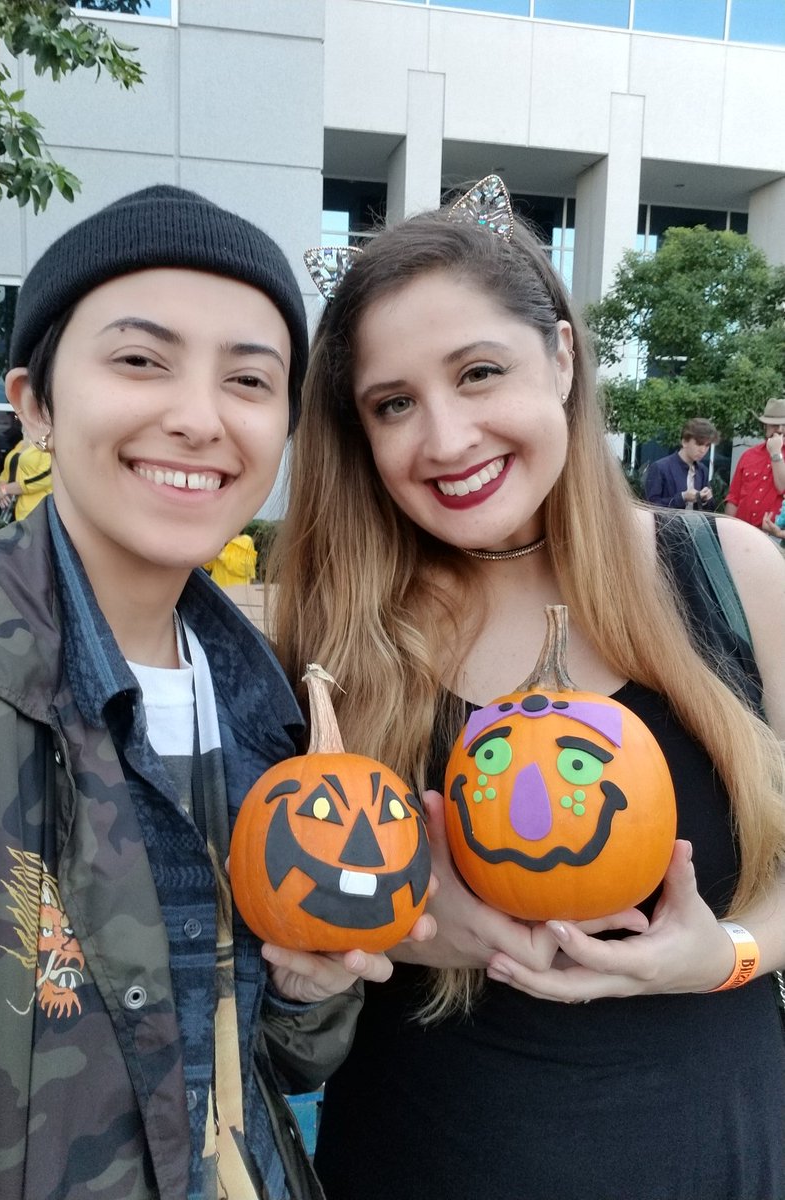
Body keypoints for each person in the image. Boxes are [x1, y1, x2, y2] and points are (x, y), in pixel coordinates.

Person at [0, 186, 428, 1199]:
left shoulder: (274, 708)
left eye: (250, 380)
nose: (197, 418)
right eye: (140, 361)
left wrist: (311, 991)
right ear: (36, 401)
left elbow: (272, 1061)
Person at [270, 177, 785, 1200]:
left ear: (560, 358)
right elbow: (289, 941)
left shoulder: (736, 575)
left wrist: (719, 953)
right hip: (418, 1158)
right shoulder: (338, 639)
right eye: (394, 404)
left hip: (714, 1151)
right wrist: (398, 917)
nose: (447, 439)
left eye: (478, 373)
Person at [724, 397, 785, 527]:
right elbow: (733, 498)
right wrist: (727, 528)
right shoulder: (749, 455)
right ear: (765, 426)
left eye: (784, 425)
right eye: (774, 424)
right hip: (742, 530)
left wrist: (776, 454)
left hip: (774, 534)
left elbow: (782, 487)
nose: (779, 429)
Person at [643, 416, 718, 509]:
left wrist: (706, 499)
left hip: (694, 523)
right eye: (699, 444)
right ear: (685, 442)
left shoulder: (702, 470)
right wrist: (683, 497)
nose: (703, 450)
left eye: (707, 445)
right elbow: (650, 506)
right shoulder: (660, 467)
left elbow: (708, 513)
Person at [0, 425, 53, 521]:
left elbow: (44, 478)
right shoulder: (21, 444)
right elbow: (6, 472)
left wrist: (6, 489)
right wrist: (0, 489)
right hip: (11, 512)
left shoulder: (48, 445)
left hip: (35, 512)